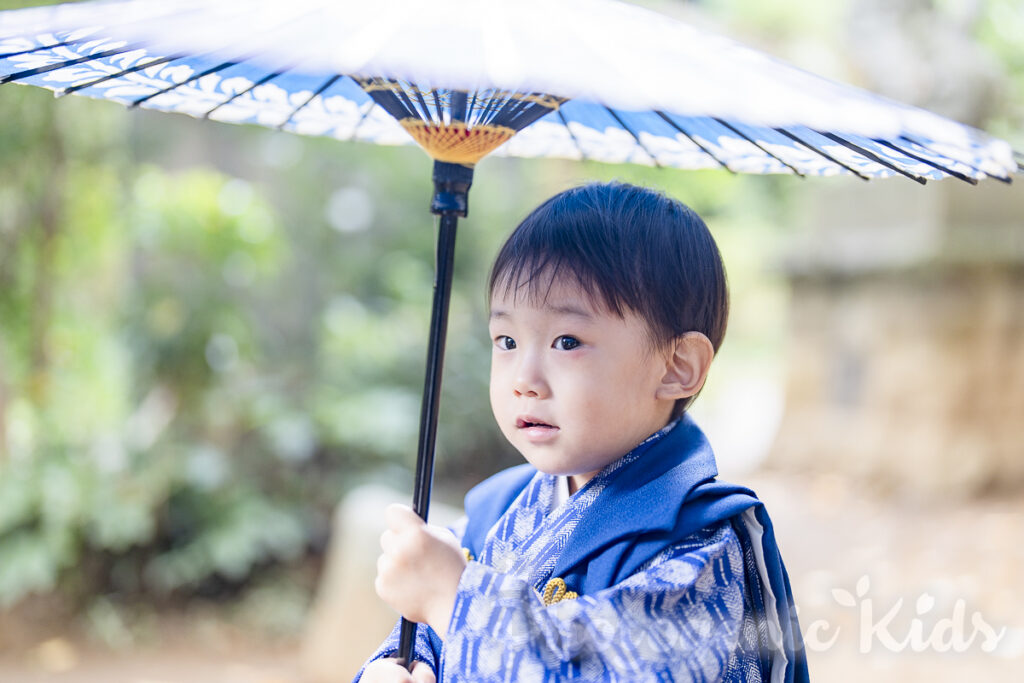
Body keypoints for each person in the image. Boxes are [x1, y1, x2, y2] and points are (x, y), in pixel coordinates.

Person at [356, 182, 808, 682]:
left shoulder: (698, 543)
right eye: (506, 340)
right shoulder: (497, 509)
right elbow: (429, 635)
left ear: (677, 366)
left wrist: (452, 600)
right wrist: (397, 665)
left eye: (566, 341)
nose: (524, 379)